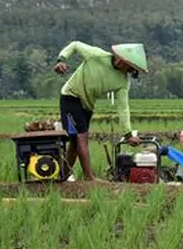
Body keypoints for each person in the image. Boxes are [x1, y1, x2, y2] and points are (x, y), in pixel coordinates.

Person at [52, 41, 147, 181]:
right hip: (71, 96)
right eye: (129, 66)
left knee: (74, 141)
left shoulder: (122, 82)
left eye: (132, 69)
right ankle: (90, 178)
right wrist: (61, 60)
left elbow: (123, 107)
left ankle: (63, 176)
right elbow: (75, 45)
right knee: (81, 137)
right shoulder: (97, 55)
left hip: (87, 105)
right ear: (121, 58)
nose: (128, 70)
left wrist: (128, 134)